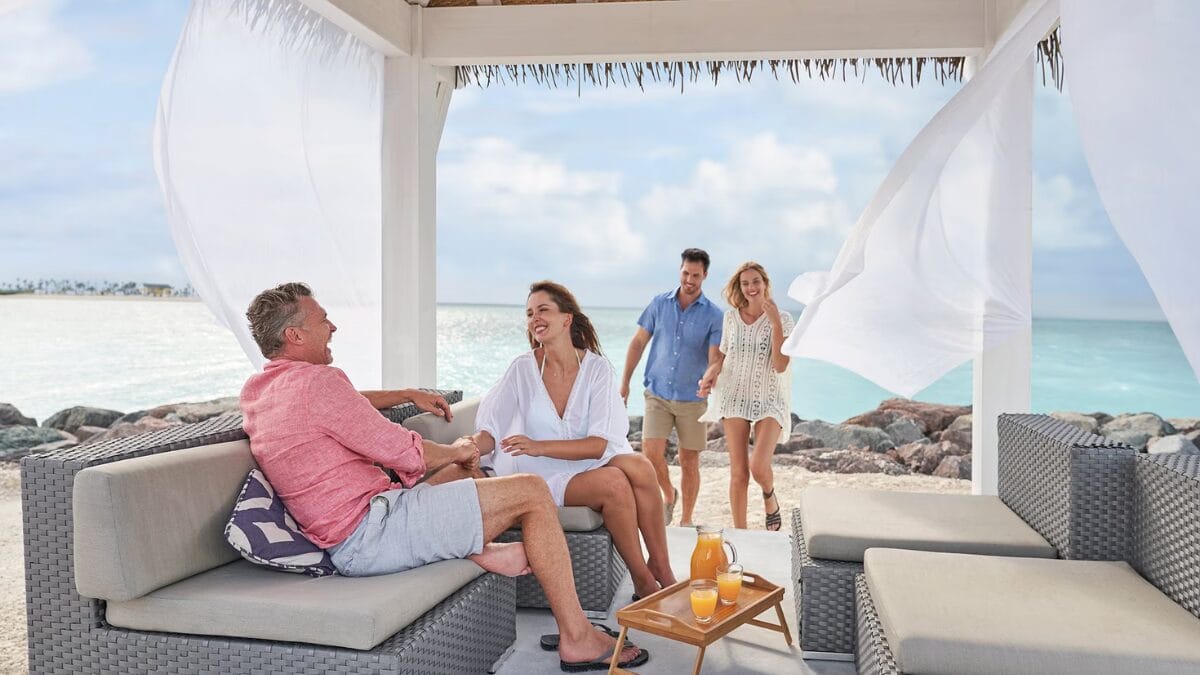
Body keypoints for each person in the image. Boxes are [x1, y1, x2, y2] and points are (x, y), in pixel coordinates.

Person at [239, 282, 646, 671]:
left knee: (463, 474)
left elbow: (346, 401)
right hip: (373, 533)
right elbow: (402, 450)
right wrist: (458, 450)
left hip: (367, 523)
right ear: (294, 335)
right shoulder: (319, 383)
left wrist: (407, 395)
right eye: (322, 319)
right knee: (531, 490)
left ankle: (476, 546)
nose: (332, 327)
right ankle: (577, 637)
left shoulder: (261, 390)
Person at [471, 281, 677, 599]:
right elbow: (491, 429)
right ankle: (643, 581)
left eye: (543, 310)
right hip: (542, 473)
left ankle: (661, 566)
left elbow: (598, 445)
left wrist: (538, 445)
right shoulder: (522, 369)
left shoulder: (596, 369)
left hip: (585, 459)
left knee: (640, 465)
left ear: (566, 319)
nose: (534, 318)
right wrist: (469, 447)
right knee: (614, 483)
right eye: (529, 313)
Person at [620, 248, 724, 527]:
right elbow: (638, 343)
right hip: (657, 394)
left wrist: (710, 376)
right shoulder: (659, 304)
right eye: (686, 273)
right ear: (680, 270)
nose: (689, 280)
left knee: (689, 461)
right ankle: (669, 494)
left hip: (693, 399)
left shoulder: (714, 315)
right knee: (650, 452)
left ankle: (686, 520)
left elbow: (715, 358)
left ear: (705, 275)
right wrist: (625, 382)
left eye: (696, 275)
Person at [698, 262, 794, 531]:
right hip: (734, 395)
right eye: (745, 283)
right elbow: (722, 357)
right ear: (739, 287)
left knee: (759, 467)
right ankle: (740, 533)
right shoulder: (731, 318)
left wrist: (775, 324)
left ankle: (769, 495)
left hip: (770, 398)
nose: (751, 287)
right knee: (738, 473)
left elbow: (780, 365)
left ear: (765, 284)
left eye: (755, 282)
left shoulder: (784, 319)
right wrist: (710, 374)